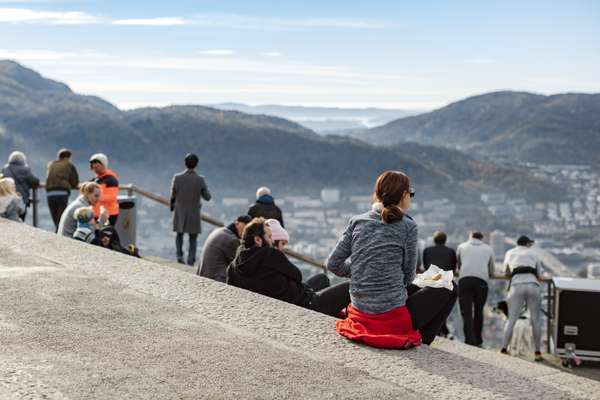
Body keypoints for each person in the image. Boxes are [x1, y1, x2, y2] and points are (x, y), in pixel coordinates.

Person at [328, 171, 457, 348]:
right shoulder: (408, 226)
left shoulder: (358, 221)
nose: (410, 197)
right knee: (450, 286)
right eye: (410, 194)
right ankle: (423, 340)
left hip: (359, 311)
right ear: (404, 195)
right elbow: (408, 277)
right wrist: (375, 271)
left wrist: (362, 269)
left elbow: (332, 264)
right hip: (389, 317)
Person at [227, 217, 350, 317]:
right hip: (306, 304)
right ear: (258, 240)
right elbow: (297, 275)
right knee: (351, 286)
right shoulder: (270, 254)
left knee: (322, 278)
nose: (271, 241)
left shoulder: (234, 267)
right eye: (269, 237)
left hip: (284, 304)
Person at [500, 235, 544, 361]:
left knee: (511, 319)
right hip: (532, 284)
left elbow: (505, 271)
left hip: (516, 285)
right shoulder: (533, 253)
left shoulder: (510, 252)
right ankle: (537, 352)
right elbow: (539, 274)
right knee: (535, 320)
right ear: (527, 244)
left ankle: (504, 348)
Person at [170, 153, 212, 266]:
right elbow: (207, 197)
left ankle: (179, 257)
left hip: (180, 211)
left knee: (179, 234)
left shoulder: (177, 178)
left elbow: (173, 194)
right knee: (193, 237)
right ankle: (191, 260)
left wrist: (172, 206)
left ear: (185, 163)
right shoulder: (200, 180)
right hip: (194, 212)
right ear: (196, 164)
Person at [456, 231, 495, 347]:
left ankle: (469, 340)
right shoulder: (488, 249)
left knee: (466, 312)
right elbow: (491, 269)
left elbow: (459, 264)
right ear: (481, 238)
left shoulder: (461, 247)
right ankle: (478, 340)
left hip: (465, 279)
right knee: (479, 311)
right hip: (481, 281)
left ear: (470, 237)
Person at [423, 231, 457, 337]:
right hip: (445, 283)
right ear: (445, 240)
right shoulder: (451, 251)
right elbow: (453, 268)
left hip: (430, 282)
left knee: (430, 306)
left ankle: (432, 329)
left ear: (434, 240)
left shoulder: (427, 250)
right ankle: (442, 329)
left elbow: (425, 266)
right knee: (443, 307)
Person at [198, 215, 252, 282]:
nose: (245, 231)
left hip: (205, 274)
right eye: (245, 226)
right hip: (216, 278)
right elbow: (239, 265)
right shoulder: (231, 240)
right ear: (237, 223)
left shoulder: (220, 230)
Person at [46, 148, 80, 231]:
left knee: (55, 218)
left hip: (50, 193)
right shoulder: (69, 165)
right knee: (60, 218)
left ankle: (57, 234)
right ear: (68, 157)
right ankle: (59, 236)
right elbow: (75, 181)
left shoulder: (52, 164)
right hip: (62, 193)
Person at [1, 151, 40, 222]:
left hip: (4, 197)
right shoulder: (25, 169)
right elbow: (34, 181)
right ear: (23, 160)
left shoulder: (5, 169)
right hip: (22, 198)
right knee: (20, 218)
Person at [89, 153, 119, 226]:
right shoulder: (95, 179)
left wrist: (95, 197)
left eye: (97, 167)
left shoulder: (111, 179)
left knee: (104, 236)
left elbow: (111, 197)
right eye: (93, 167)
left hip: (108, 214)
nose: (95, 169)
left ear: (103, 165)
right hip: (96, 213)